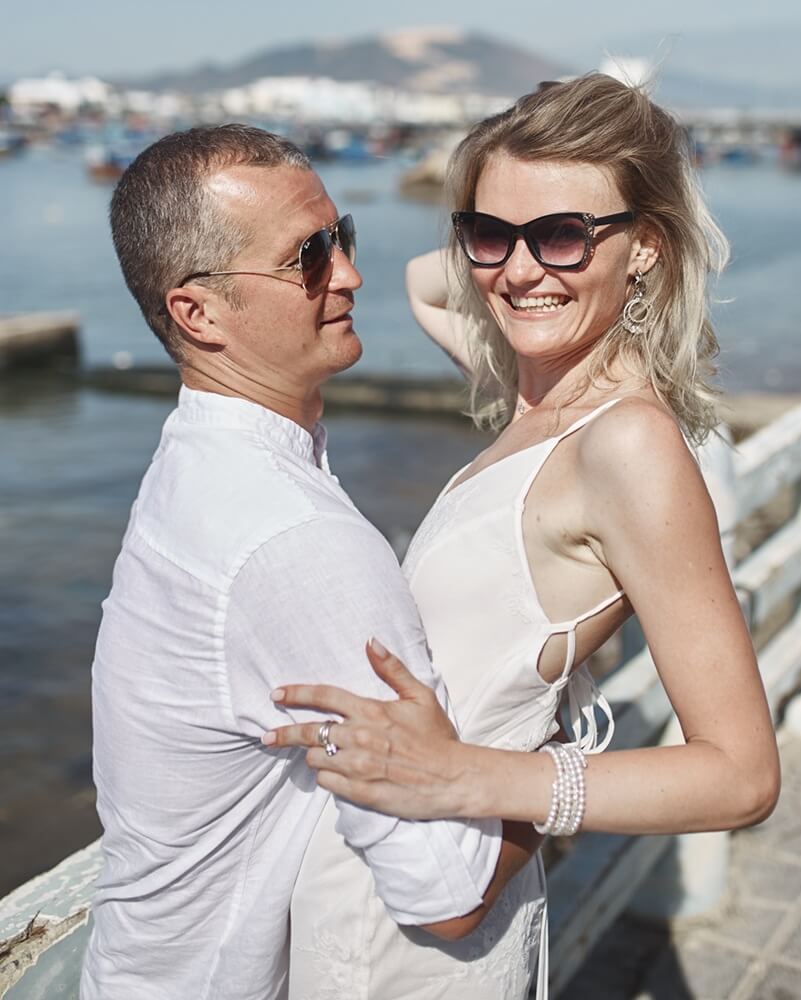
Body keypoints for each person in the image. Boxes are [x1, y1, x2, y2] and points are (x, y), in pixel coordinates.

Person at [265, 74, 781, 997]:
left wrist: (472, 777)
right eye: (488, 234)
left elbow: (739, 775)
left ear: (647, 246)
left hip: (432, 925)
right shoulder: (534, 395)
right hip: (382, 880)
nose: (518, 271)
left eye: (562, 235)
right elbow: (428, 282)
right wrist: (517, 201)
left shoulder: (625, 446)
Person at [80, 124, 540, 1000]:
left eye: (343, 237)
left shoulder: (202, 469)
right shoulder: (289, 537)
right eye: (310, 258)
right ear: (198, 313)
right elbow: (446, 889)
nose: (350, 275)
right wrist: (549, 738)